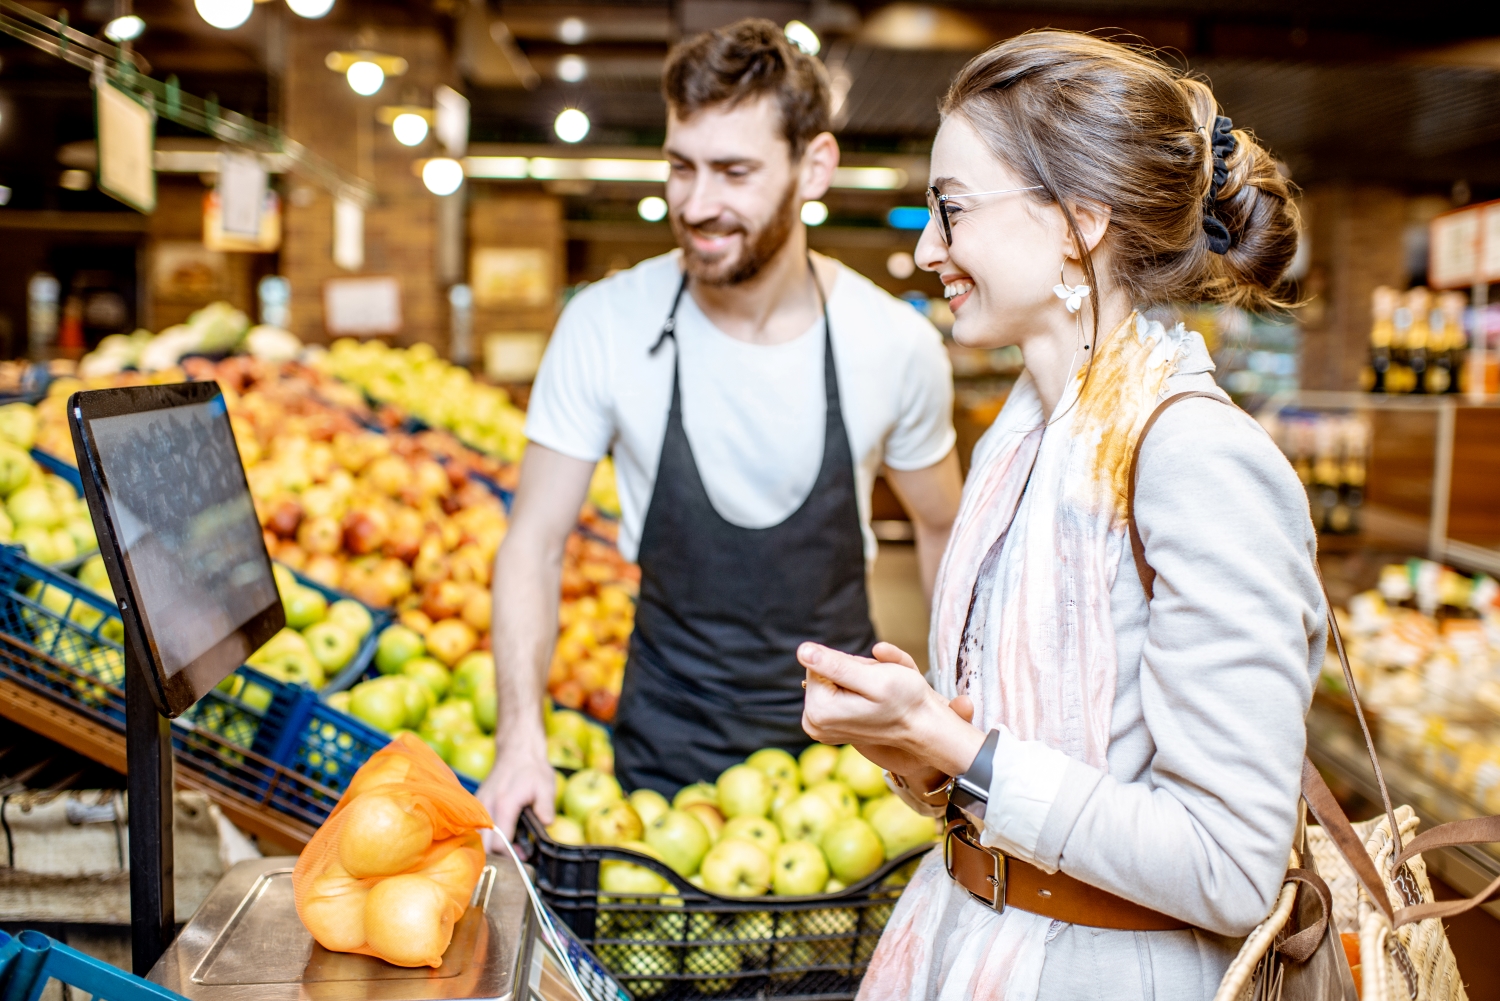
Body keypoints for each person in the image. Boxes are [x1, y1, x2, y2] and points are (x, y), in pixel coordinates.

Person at [798, 31, 1324, 1000]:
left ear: (1078, 221)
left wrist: (959, 745)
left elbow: (1231, 865)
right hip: (975, 936)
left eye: (951, 210)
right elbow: (1017, 762)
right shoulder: (1026, 436)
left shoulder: (1196, 458)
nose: (925, 249)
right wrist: (915, 737)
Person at [481, 19, 963, 838]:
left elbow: (943, 526)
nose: (698, 204)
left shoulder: (895, 344)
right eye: (681, 167)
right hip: (664, 750)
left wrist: (947, 716)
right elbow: (533, 543)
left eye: (734, 171)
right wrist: (519, 730)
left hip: (852, 764)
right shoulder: (605, 324)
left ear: (814, 167)